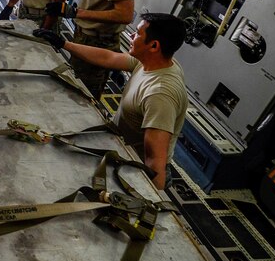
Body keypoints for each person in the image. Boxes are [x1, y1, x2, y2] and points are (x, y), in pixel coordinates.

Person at [34, 14, 188, 190]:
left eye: (137, 34)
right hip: (119, 145)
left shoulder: (160, 95)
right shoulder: (153, 62)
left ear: (154, 46)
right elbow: (109, 58)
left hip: (134, 167)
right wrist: (64, 44)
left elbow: (154, 161)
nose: (131, 36)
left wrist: (152, 200)